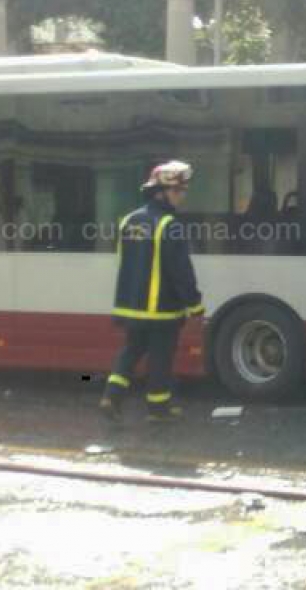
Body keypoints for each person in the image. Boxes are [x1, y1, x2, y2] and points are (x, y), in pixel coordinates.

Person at [100, 161, 204, 424]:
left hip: (131, 305)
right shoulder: (170, 224)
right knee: (160, 358)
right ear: (160, 193)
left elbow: (127, 263)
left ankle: (111, 396)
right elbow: (181, 270)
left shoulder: (128, 221)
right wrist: (195, 306)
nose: (182, 196)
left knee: (131, 351)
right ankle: (158, 410)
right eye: (177, 191)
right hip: (162, 309)